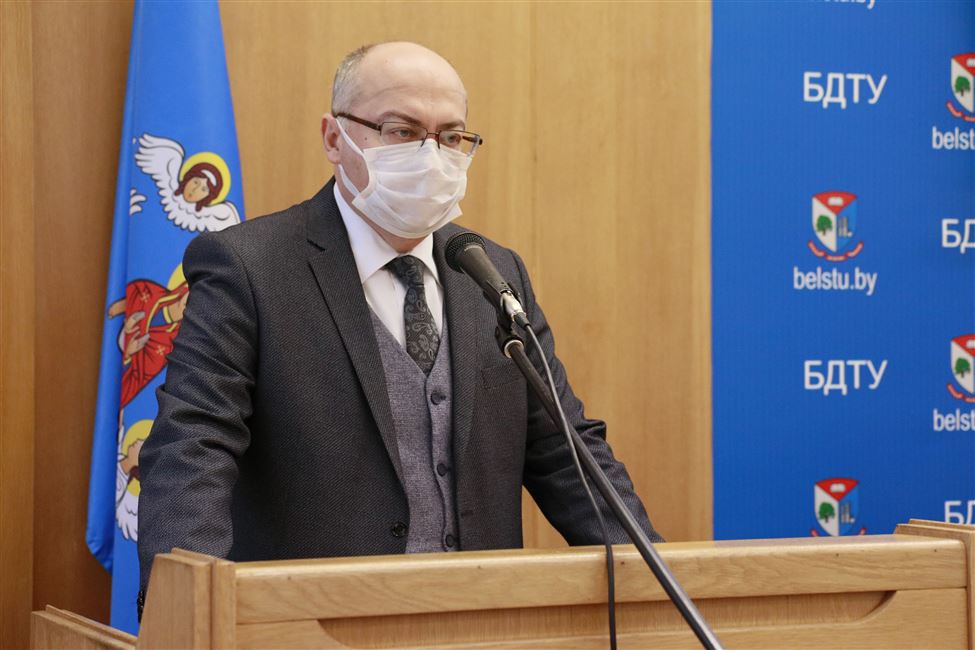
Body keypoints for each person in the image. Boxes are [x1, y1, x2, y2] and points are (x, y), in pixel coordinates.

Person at [137, 41, 660, 610]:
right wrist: (192, 609)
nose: (431, 156)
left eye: (451, 137)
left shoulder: (492, 272)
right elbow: (193, 447)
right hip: (313, 623)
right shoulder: (250, 266)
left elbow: (565, 450)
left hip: (483, 622)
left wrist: (661, 588)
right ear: (334, 138)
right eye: (402, 131)